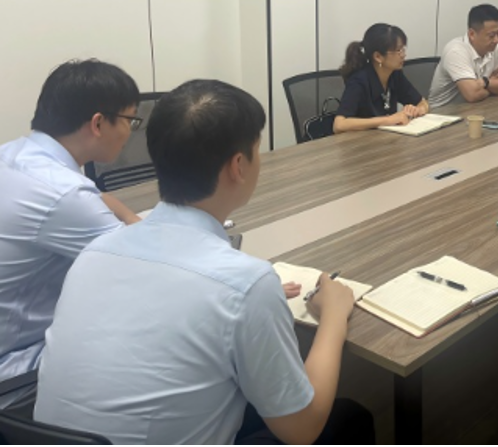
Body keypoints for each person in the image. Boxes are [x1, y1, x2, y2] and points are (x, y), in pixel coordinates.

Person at [34, 80, 374, 446]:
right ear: (238, 166)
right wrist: (334, 316)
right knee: (350, 418)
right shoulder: (246, 284)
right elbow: (301, 431)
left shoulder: (94, 253)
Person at [0, 60, 141, 412]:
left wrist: (129, 217)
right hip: (15, 372)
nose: (130, 131)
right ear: (98, 123)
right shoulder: (64, 195)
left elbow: (89, 196)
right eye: (130, 120)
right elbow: (148, 270)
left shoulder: (14, 154)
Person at [333, 23, 428, 133]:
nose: (403, 55)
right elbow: (339, 125)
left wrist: (418, 110)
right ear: (378, 57)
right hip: (360, 140)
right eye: (398, 50)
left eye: (403, 49)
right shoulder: (359, 81)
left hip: (386, 138)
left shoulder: (395, 74)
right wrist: (388, 120)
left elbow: (422, 102)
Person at [428, 4, 498, 108]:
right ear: (472, 34)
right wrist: (495, 86)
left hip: (476, 108)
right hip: (443, 112)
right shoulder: (456, 51)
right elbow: (472, 95)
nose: (496, 40)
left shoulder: (493, 47)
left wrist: (486, 82)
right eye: (491, 35)